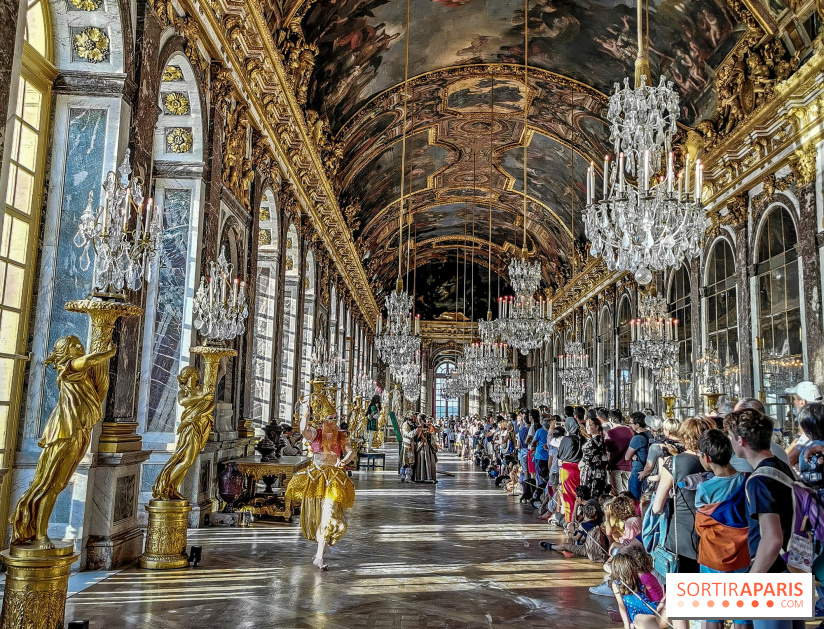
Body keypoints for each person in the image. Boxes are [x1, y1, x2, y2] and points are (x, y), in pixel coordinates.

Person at [724, 409, 806, 629]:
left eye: (731, 438)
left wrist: (752, 580)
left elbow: (772, 539)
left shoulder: (758, 481)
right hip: (795, 568)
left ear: (740, 441)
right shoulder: (783, 468)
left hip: (773, 576)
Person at [286, 400, 355, 570]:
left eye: (335, 418)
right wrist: (305, 412)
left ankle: (319, 555)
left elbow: (351, 451)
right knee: (317, 515)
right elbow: (302, 430)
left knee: (330, 513)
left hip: (334, 479)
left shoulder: (341, 435)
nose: (333, 422)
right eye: (330, 418)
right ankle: (320, 551)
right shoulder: (316, 434)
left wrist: (344, 461)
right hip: (316, 478)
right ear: (323, 420)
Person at [785, 381, 822, 466]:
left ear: (802, 402)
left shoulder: (811, 425)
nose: (794, 403)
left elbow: (788, 460)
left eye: (794, 400)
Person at [558, 415, 584, 524]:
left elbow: (560, 454)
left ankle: (570, 521)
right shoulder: (582, 438)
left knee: (568, 495)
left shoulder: (567, 439)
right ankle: (579, 518)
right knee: (577, 494)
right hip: (579, 468)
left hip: (567, 468)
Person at [580, 415, 609, 497]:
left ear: (597, 427)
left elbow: (587, 459)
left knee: (590, 494)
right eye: (587, 426)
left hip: (592, 471)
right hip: (598, 470)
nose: (588, 427)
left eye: (590, 425)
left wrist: (581, 464)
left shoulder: (595, 441)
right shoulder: (599, 440)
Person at [606, 410, 633, 494]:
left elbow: (607, 449)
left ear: (610, 419)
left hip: (615, 466)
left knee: (617, 494)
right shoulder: (630, 431)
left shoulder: (610, 432)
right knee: (626, 494)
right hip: (628, 465)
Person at [625, 412, 651, 500]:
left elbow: (627, 457)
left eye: (631, 423)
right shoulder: (650, 434)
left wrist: (633, 456)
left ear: (637, 425)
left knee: (634, 497)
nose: (630, 425)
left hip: (638, 470)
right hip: (649, 468)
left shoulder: (637, 438)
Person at [413, 414, 438, 483]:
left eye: (420, 419)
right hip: (421, 445)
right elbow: (417, 436)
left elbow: (432, 435)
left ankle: (429, 477)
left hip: (427, 445)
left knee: (428, 460)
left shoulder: (428, 427)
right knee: (421, 461)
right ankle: (420, 477)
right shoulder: (417, 427)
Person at [533, 417, 551, 486]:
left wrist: (535, 445)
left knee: (540, 476)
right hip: (549, 456)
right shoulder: (551, 432)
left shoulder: (539, 431)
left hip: (540, 456)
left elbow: (533, 442)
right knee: (547, 475)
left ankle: (540, 491)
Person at [399, 414, 417, 482]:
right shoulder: (405, 425)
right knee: (406, 461)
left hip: (410, 444)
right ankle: (404, 475)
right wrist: (415, 431)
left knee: (409, 461)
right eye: (412, 418)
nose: (413, 420)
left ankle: (407, 475)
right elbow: (407, 434)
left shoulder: (411, 424)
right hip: (407, 445)